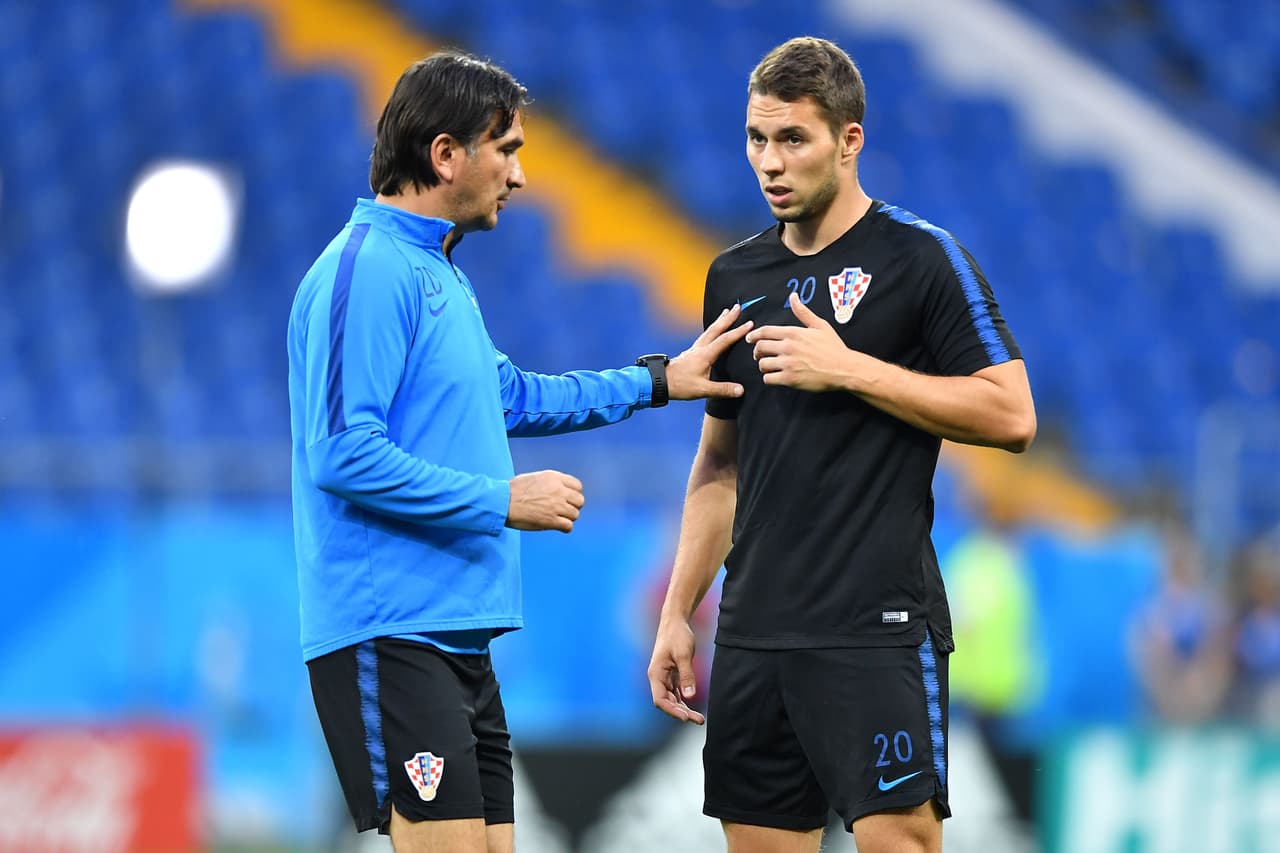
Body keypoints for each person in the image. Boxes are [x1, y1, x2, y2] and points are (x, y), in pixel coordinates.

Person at [287, 51, 751, 853]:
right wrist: (502, 499)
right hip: (391, 632)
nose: (521, 175)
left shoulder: (437, 273)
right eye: (507, 149)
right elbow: (341, 453)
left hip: (455, 637)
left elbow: (515, 396)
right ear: (445, 155)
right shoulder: (365, 272)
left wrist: (657, 381)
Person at [646, 36, 1036, 853]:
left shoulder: (922, 260)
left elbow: (1012, 414)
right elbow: (721, 460)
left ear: (849, 140)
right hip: (754, 633)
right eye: (757, 139)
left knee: (901, 842)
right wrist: (681, 611)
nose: (769, 162)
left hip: (877, 626)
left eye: (794, 139)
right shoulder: (734, 277)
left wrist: (854, 370)